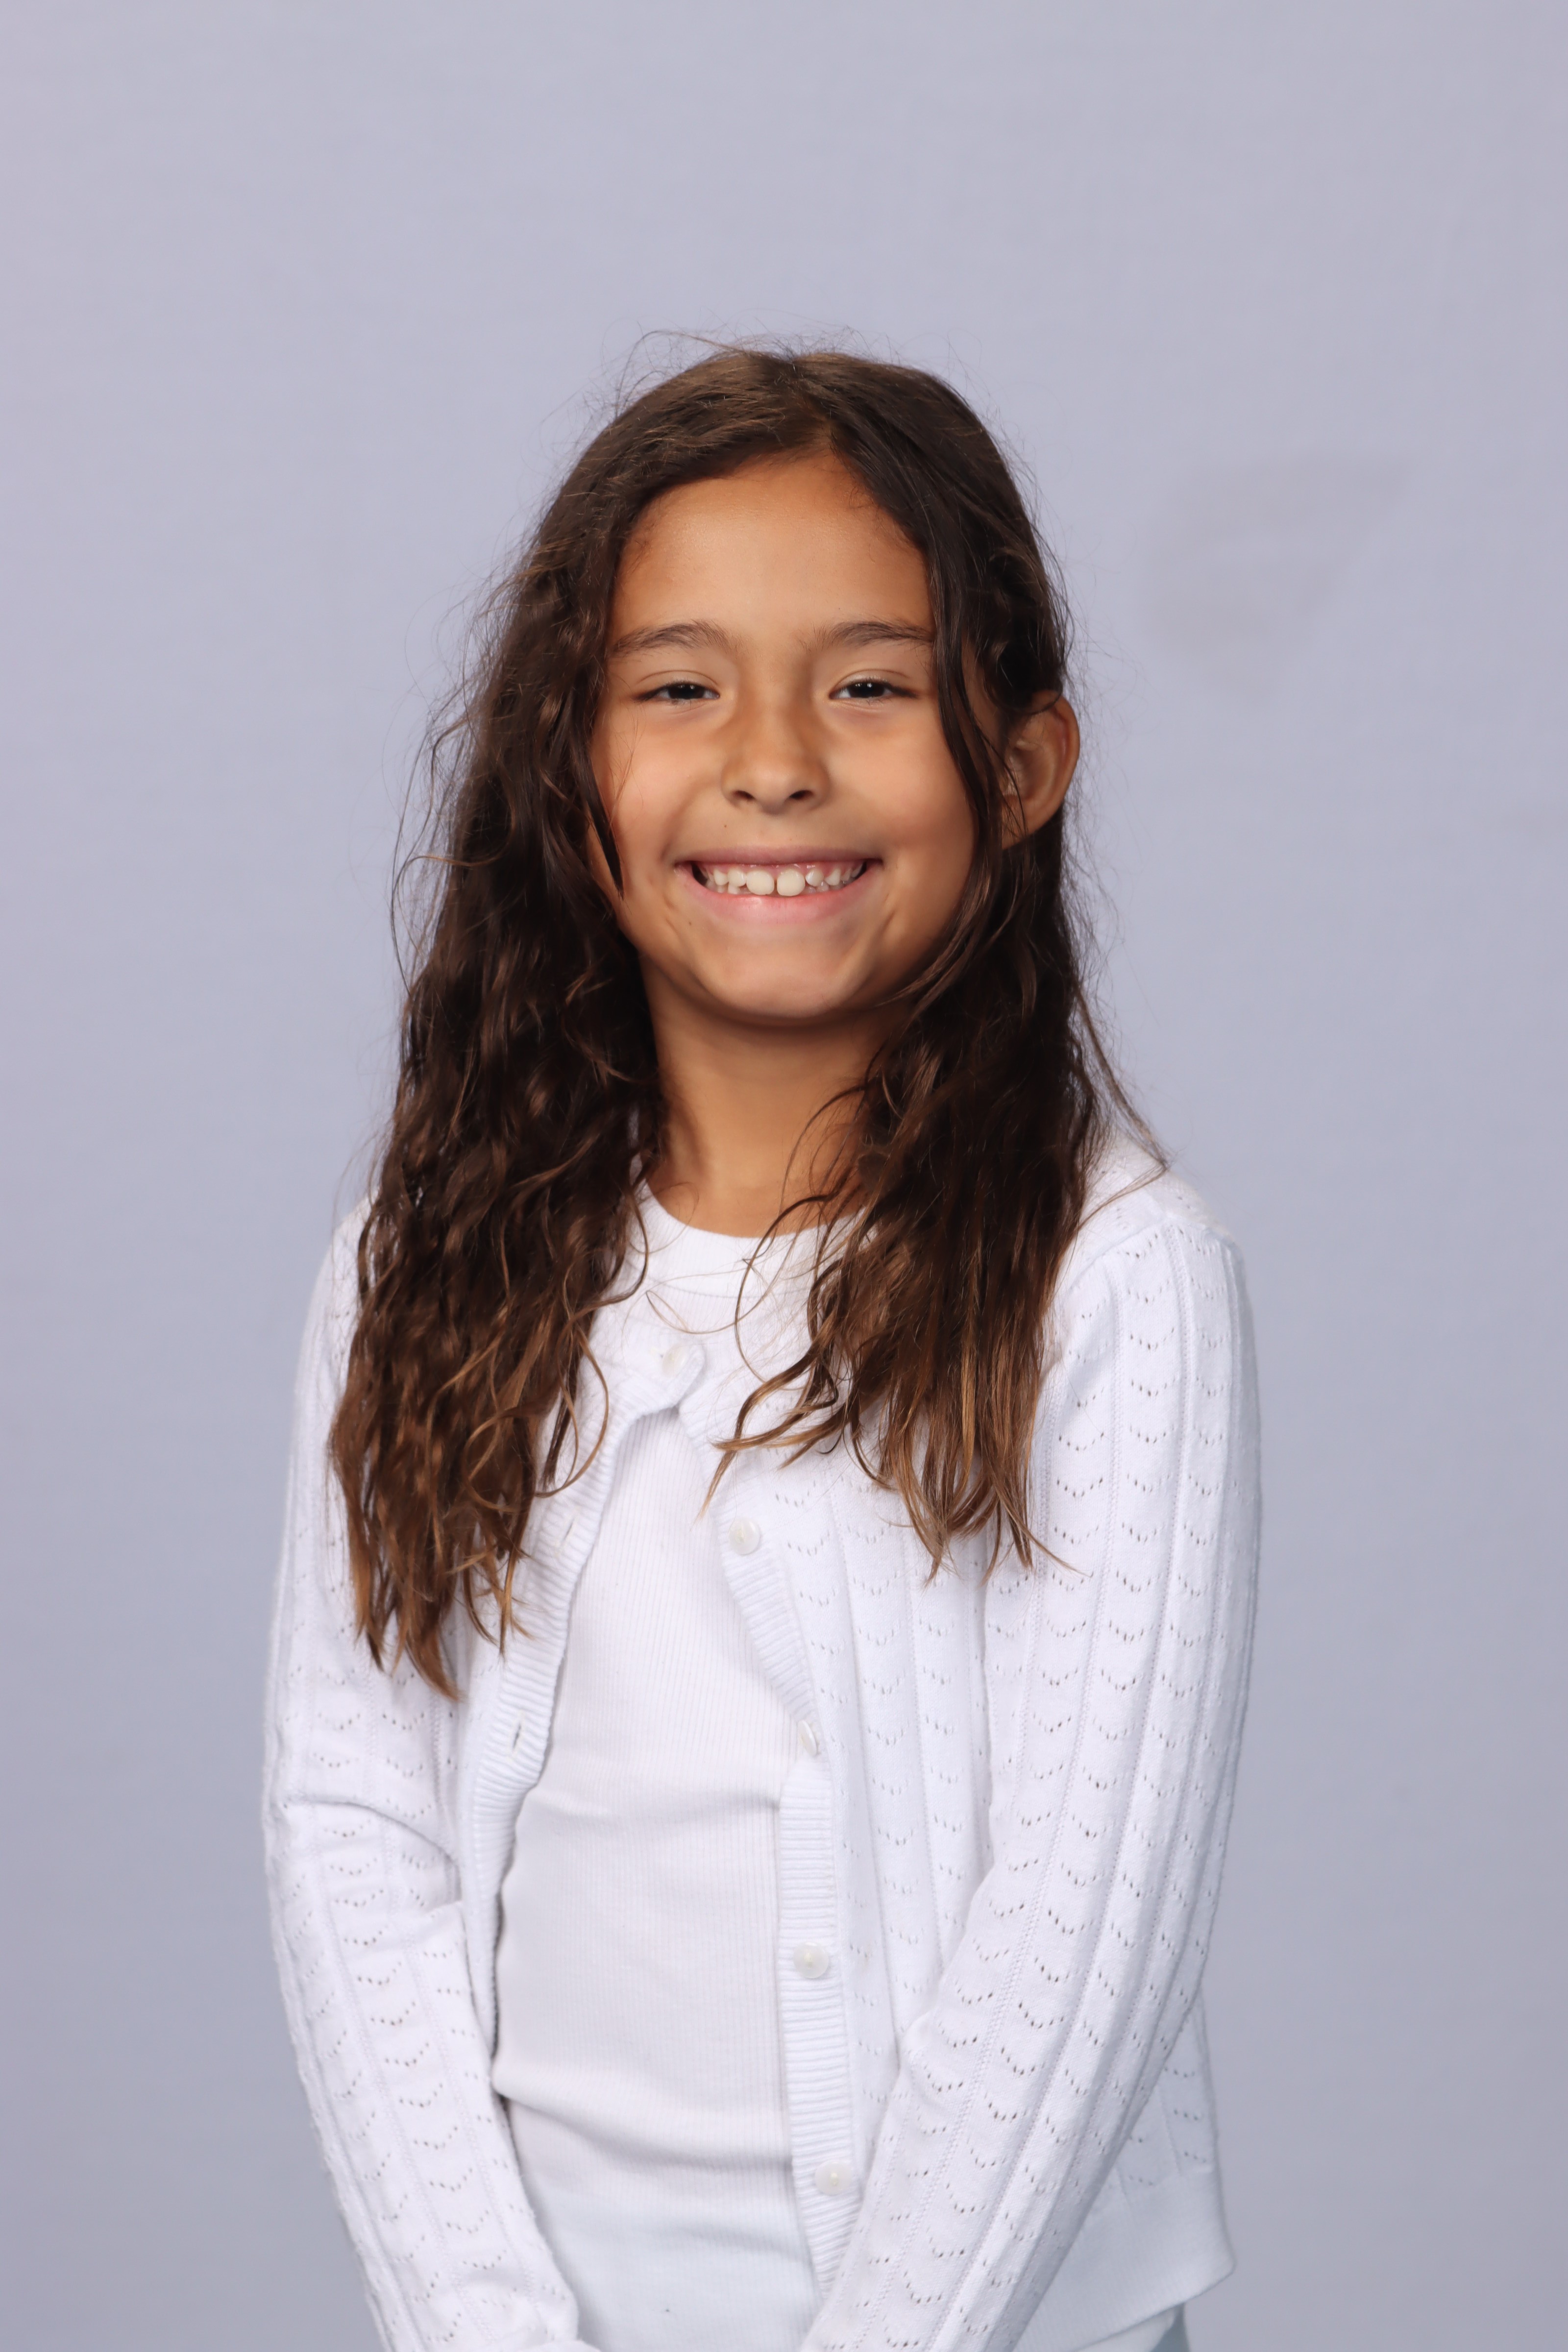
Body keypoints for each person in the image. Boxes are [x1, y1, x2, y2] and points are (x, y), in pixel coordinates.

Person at [265, 346, 1259, 2352]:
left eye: (870, 686)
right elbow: (352, 1815)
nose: (775, 761)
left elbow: (1079, 1928)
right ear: (568, 768)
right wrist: (483, 2323)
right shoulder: (424, 1251)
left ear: (1022, 764)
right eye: (678, 688)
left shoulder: (1111, 1278)